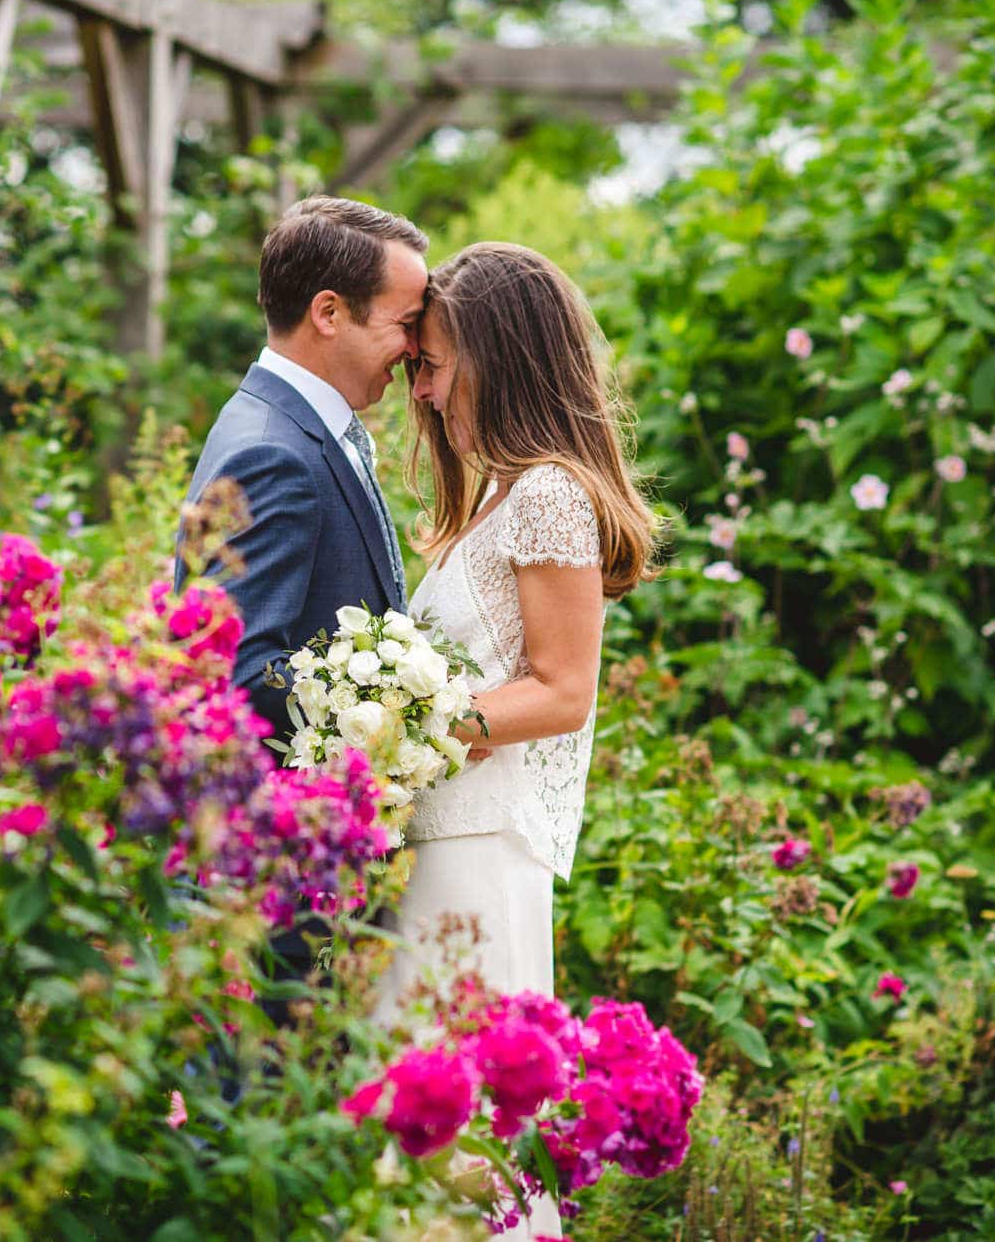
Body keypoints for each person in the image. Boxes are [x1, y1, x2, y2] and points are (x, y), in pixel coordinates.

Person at [391, 241, 659, 1238]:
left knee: (459, 1121)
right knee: (418, 1114)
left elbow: (559, 690)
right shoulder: (494, 499)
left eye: (433, 363)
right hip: (439, 845)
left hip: (475, 852)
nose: (418, 391)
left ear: (497, 357)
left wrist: (401, 729)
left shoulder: (545, 493)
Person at [174, 194, 429, 1022]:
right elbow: (239, 669)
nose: (414, 348)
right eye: (404, 322)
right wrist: (398, 717)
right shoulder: (272, 451)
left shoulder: (291, 426)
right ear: (329, 312)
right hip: (285, 878)